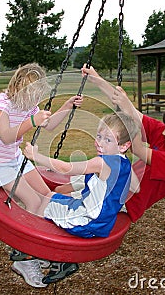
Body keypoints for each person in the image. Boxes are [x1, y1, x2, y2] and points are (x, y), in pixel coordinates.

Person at [0, 63, 83, 288]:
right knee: (33, 200)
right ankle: (22, 257)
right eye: (32, 95)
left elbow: (49, 125)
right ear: (20, 88)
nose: (34, 101)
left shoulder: (29, 106)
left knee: (47, 194)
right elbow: (6, 136)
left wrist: (66, 105)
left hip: (15, 159)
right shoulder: (1, 103)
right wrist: (31, 122)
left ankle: (34, 247)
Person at [81, 64, 165, 222]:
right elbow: (136, 115)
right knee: (66, 188)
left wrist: (127, 108)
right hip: (116, 186)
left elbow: (137, 149)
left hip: (126, 202)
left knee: (64, 200)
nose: (163, 132)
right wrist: (96, 79)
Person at [23, 111, 139, 284]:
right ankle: (58, 260)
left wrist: (36, 156)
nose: (99, 143)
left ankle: (36, 249)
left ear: (124, 146)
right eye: (99, 136)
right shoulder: (124, 163)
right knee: (62, 195)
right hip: (103, 222)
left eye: (108, 140)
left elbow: (65, 168)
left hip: (87, 221)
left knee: (48, 197)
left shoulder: (101, 162)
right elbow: (136, 188)